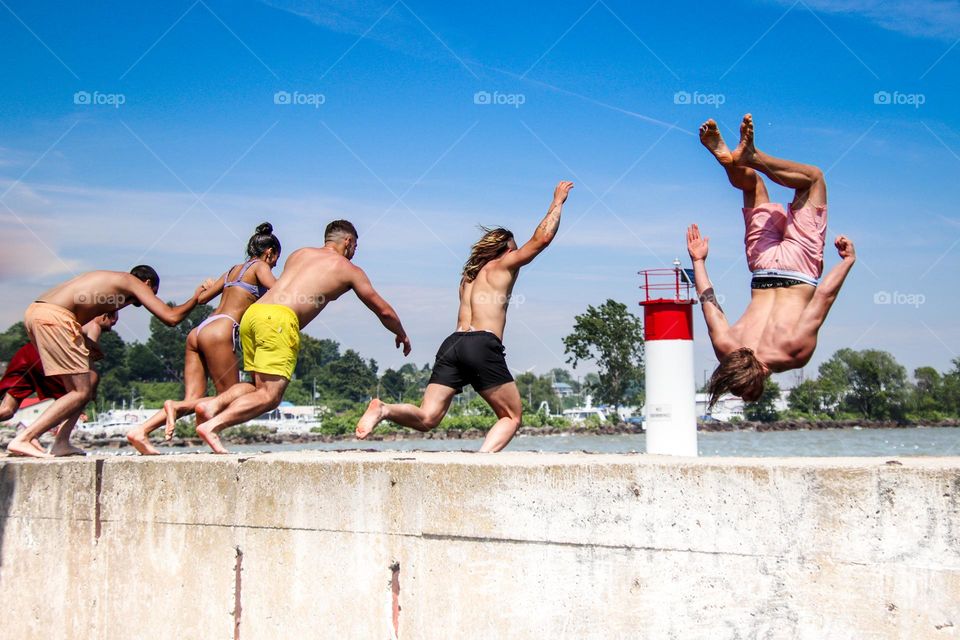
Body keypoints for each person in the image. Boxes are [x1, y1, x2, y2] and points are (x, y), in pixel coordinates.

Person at [356, 180, 574, 452]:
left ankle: (384, 409)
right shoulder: (503, 265)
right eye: (515, 248)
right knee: (511, 416)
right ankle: (481, 462)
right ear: (506, 249)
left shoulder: (467, 277)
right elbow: (542, 239)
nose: (517, 254)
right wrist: (558, 201)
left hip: (453, 344)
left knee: (428, 417)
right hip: (482, 343)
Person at [193, 220, 411, 453]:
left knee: (257, 388)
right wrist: (401, 332)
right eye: (355, 247)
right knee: (270, 396)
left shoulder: (299, 254)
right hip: (278, 321)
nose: (355, 253)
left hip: (253, 315)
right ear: (347, 242)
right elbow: (382, 309)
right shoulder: (349, 270)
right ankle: (213, 425)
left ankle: (213, 406)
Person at [690, 115, 856, 406]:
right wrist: (698, 261)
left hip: (799, 268)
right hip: (762, 266)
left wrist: (846, 261)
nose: (744, 397)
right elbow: (710, 305)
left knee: (813, 179)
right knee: (752, 185)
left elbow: (824, 298)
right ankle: (732, 161)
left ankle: (753, 156)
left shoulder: (792, 353)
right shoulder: (726, 349)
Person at [6, 266, 209, 457]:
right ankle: (25, 438)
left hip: (38, 312)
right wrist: (195, 299)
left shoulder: (111, 284)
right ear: (147, 283)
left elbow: (77, 314)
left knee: (85, 384)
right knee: (81, 391)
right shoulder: (131, 281)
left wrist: (87, 343)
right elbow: (170, 317)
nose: (149, 299)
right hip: (56, 317)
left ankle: (61, 441)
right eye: (153, 293)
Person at [126, 223, 281, 455]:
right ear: (269, 253)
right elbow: (281, 291)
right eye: (275, 260)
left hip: (199, 331)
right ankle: (176, 406)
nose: (274, 265)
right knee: (230, 396)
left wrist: (205, 287)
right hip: (221, 330)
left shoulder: (231, 270)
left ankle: (141, 430)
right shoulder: (259, 266)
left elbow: (201, 298)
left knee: (195, 399)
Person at [0, 312, 118, 453]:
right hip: (49, 357)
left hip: (28, 352)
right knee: (83, 390)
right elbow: (87, 359)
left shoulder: (74, 315)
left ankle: (33, 438)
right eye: (113, 320)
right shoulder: (95, 323)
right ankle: (61, 442)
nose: (111, 327)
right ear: (104, 315)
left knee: (6, 410)